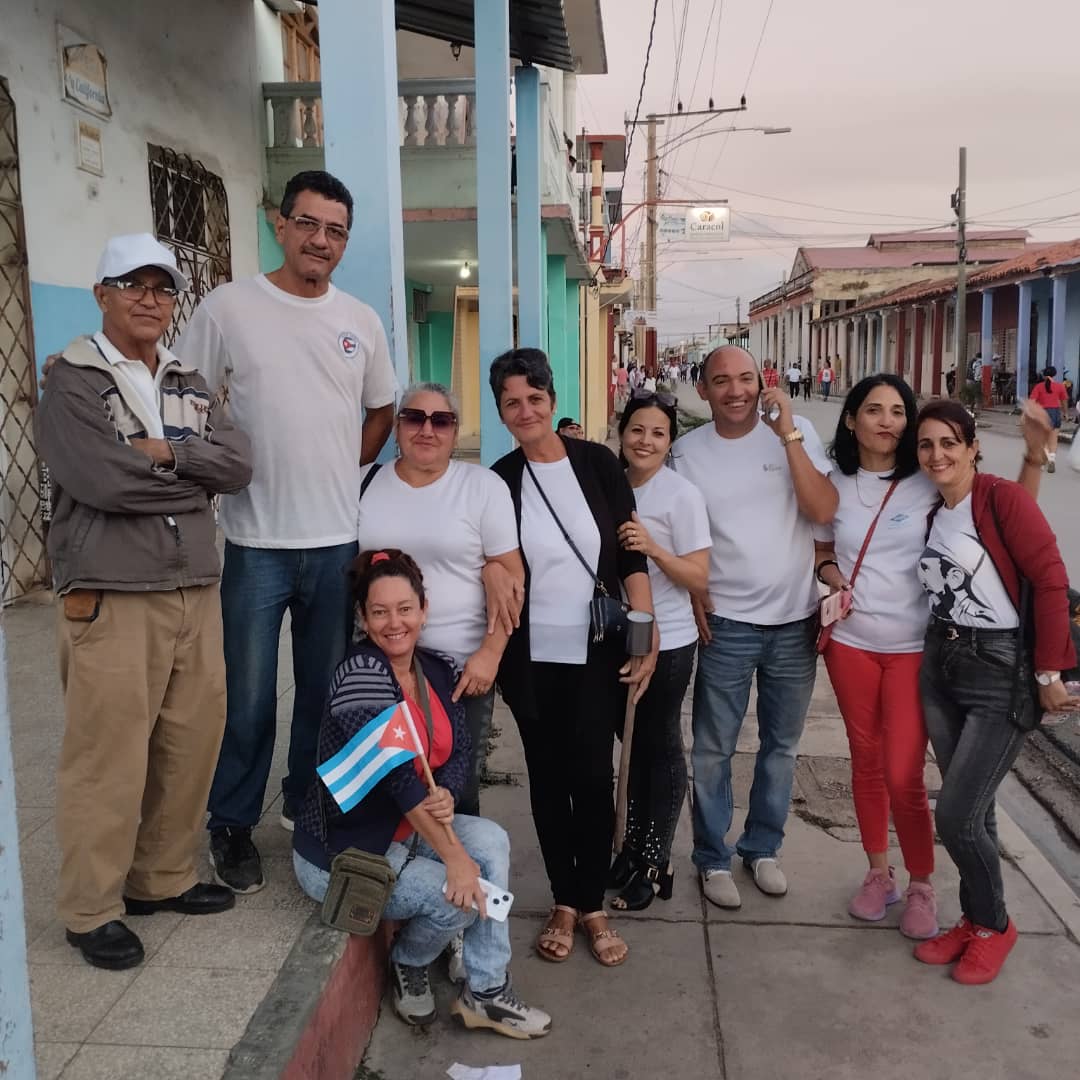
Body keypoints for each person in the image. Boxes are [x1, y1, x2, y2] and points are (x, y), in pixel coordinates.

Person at [175, 170, 398, 894]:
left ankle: (307, 803)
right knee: (246, 699)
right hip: (255, 544)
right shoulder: (229, 307)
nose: (320, 241)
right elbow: (184, 395)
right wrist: (211, 462)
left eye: (335, 231)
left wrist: (345, 463)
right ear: (280, 224)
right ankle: (232, 822)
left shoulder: (359, 320)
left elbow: (382, 408)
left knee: (323, 695)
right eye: (308, 224)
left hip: (335, 542)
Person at [34, 234, 252, 970]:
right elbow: (102, 481)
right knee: (108, 755)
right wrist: (193, 481)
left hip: (194, 587)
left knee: (190, 742)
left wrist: (167, 453)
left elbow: (238, 463)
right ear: (102, 293)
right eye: (133, 285)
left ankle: (161, 877)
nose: (150, 300)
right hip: (114, 592)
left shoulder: (187, 379)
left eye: (162, 288)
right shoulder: (73, 380)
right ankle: (91, 908)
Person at [814, 378, 1051, 941]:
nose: (887, 421)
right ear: (851, 420)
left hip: (915, 650)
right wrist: (831, 576)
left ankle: (922, 883)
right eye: (874, 410)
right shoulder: (834, 484)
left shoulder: (927, 479)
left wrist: (1033, 457)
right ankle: (879, 874)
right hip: (851, 644)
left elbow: (1007, 518)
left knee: (903, 773)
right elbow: (822, 548)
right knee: (865, 762)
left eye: (898, 411)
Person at [292, 550, 551, 1038]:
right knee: (460, 896)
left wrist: (447, 793)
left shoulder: (434, 668)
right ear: (363, 618)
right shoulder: (360, 677)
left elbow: (459, 749)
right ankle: (409, 960)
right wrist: (454, 857)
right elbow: (398, 778)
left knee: (491, 841)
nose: (395, 623)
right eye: (380, 612)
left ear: (424, 609)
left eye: (405, 609)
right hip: (349, 850)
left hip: (408, 829)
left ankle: (486, 991)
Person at [488, 348, 658, 967]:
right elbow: (491, 562)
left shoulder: (597, 464)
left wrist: (645, 634)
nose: (525, 411)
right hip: (529, 660)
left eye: (535, 398)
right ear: (501, 412)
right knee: (547, 780)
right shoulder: (499, 480)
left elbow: (630, 552)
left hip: (596, 653)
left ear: (553, 401)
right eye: (512, 402)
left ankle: (592, 905)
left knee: (591, 777)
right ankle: (564, 899)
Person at [912, 400, 1078, 984]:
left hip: (998, 672)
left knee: (956, 815)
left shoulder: (998, 496)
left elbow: (1050, 580)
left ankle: (995, 925)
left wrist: (1049, 673)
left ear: (973, 447)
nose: (937, 455)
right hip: (941, 665)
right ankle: (975, 919)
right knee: (975, 811)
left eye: (949, 443)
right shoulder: (937, 511)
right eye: (926, 444)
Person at [673, 346, 837, 909]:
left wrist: (787, 433)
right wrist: (693, 591)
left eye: (746, 378)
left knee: (781, 747)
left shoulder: (797, 432)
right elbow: (677, 535)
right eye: (721, 381)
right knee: (712, 749)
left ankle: (763, 848)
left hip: (794, 622)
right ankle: (712, 856)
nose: (736, 391)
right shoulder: (686, 454)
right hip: (726, 625)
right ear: (703, 389)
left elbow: (822, 511)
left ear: (763, 382)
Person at [356, 384, 523, 817]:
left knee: (455, 794)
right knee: (388, 789)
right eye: (414, 418)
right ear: (397, 427)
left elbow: (512, 576)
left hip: (460, 670)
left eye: (441, 421)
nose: (426, 430)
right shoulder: (365, 483)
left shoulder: (482, 486)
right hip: (382, 670)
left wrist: (490, 655)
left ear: (455, 430)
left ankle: (459, 861)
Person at [607, 393, 710, 910]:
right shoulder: (609, 483)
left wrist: (652, 548)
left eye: (658, 433)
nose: (645, 441)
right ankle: (629, 848)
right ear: (622, 432)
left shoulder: (680, 495)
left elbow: (698, 576)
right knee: (632, 746)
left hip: (667, 641)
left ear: (670, 442)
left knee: (660, 747)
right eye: (637, 430)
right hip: (613, 638)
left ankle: (655, 860)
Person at [1028, 366, 1068, 472]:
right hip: (1055, 413)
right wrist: (1065, 413)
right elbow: (1064, 401)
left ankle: (1043, 461)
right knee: (1053, 439)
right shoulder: (1060, 386)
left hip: (1043, 413)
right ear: (1055, 375)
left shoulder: (1038, 387)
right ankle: (1052, 460)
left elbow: (1032, 401)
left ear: (1044, 375)